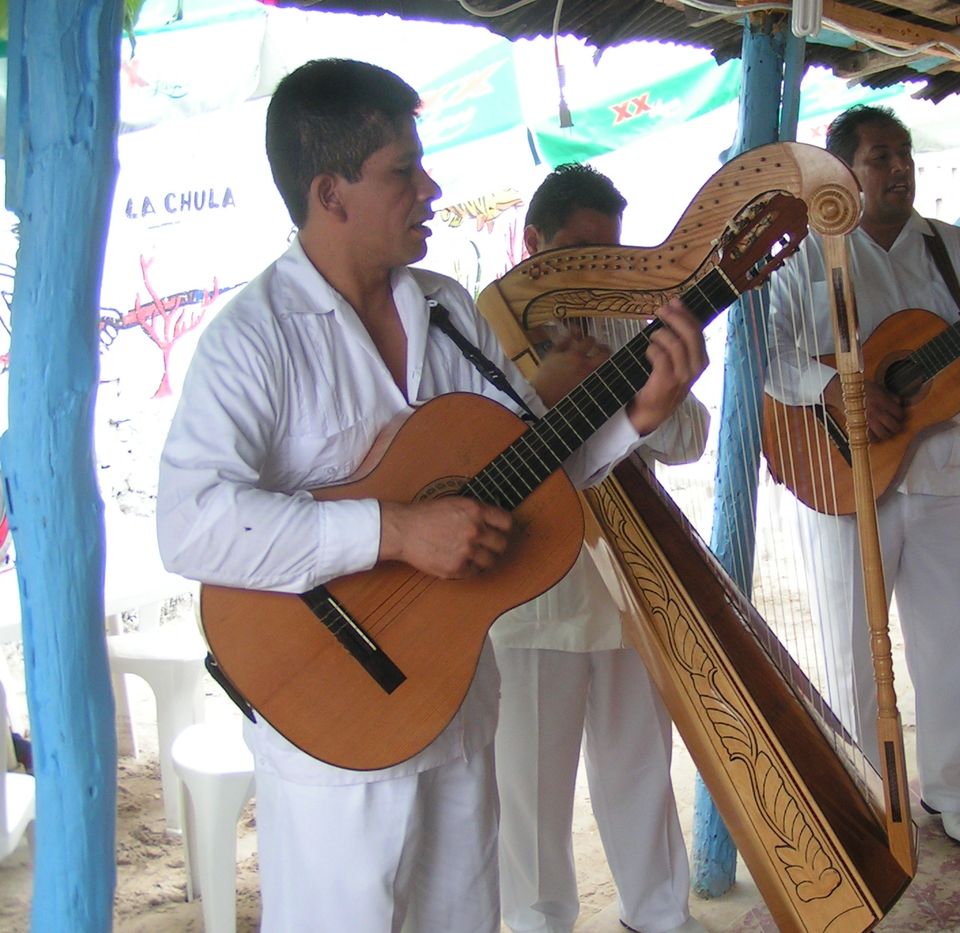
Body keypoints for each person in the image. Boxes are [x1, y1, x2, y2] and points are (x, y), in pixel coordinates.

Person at [156, 59, 706, 933]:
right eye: (402, 171)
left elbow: (528, 466)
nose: (431, 187)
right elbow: (189, 522)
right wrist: (394, 529)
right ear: (330, 192)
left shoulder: (447, 309)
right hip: (334, 723)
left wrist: (634, 414)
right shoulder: (252, 338)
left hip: (455, 705)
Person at [765, 104, 960, 848]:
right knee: (847, 650)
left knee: (956, 642)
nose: (898, 168)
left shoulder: (957, 251)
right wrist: (834, 390)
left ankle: (953, 791)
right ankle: (869, 793)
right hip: (840, 480)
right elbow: (766, 358)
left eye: (904, 155)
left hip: (940, 478)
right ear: (843, 173)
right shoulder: (803, 256)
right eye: (880, 157)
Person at [489, 163, 709, 933]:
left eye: (609, 255)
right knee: (530, 795)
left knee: (641, 767)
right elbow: (475, 466)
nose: (594, 272)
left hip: (629, 577)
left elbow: (688, 438)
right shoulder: (484, 328)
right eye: (578, 254)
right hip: (528, 597)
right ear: (534, 244)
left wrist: (664, 397)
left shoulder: (627, 321)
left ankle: (658, 912)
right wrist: (542, 394)